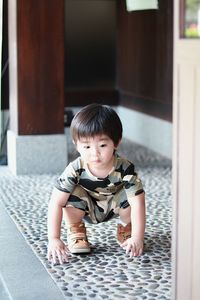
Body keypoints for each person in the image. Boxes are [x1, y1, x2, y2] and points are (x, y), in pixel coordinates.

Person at [47, 103, 145, 265]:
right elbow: (55, 203)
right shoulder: (75, 169)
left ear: (116, 142)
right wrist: (54, 238)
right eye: (86, 146)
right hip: (85, 207)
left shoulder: (125, 168)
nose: (94, 153)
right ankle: (76, 230)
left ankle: (127, 228)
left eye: (102, 145)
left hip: (115, 205)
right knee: (67, 194)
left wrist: (138, 237)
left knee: (132, 196)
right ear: (76, 145)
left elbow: (139, 203)